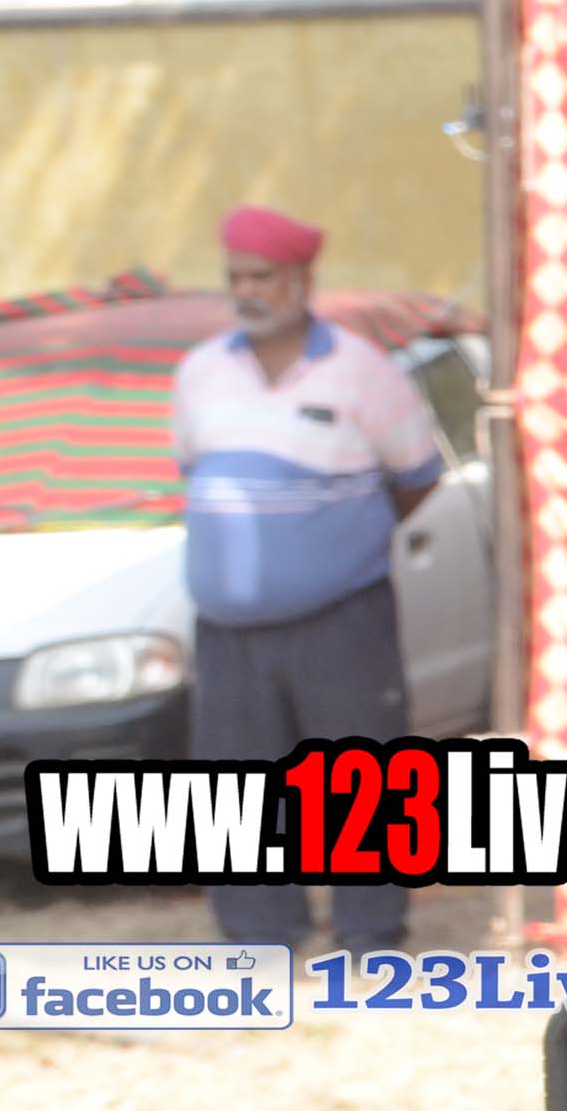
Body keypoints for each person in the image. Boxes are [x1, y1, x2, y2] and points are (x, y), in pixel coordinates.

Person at [175, 202, 447, 952]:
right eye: (236, 277)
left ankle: (370, 931)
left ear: (301, 279)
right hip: (228, 630)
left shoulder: (361, 369)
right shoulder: (200, 373)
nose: (247, 291)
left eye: (262, 276)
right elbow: (199, 474)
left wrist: (333, 543)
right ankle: (258, 932)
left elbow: (417, 475)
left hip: (342, 617)